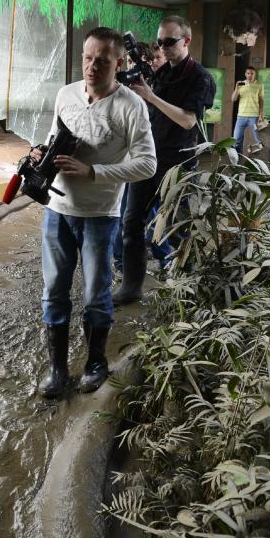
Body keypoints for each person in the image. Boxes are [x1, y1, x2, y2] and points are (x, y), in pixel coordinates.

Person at [32, 27, 156, 398]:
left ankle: (96, 362)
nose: (92, 66)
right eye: (87, 58)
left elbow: (148, 164)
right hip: (57, 208)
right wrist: (43, 154)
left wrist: (94, 172)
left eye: (102, 61)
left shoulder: (130, 106)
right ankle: (57, 369)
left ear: (118, 63)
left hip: (101, 215)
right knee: (54, 290)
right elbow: (57, 137)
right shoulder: (66, 94)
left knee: (95, 293)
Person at [113, 15, 214, 305]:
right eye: (160, 42)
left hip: (177, 165)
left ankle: (191, 287)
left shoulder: (200, 78)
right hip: (147, 159)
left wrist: (151, 96)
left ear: (187, 41)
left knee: (180, 227)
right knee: (131, 223)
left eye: (169, 42)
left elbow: (187, 121)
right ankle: (132, 286)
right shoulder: (161, 73)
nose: (163, 47)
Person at [112, 42, 172, 271]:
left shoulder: (158, 88)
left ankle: (162, 256)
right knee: (125, 213)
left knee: (148, 213)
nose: (131, 68)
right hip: (126, 161)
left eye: (155, 58)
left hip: (152, 161)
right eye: (128, 62)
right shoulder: (120, 88)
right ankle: (122, 261)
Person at [232, 66, 265, 154]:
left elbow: (261, 100)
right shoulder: (241, 85)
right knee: (236, 139)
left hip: (254, 116)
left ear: (255, 74)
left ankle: (258, 160)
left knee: (258, 139)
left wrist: (261, 114)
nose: (250, 75)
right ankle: (237, 159)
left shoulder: (259, 85)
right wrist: (236, 88)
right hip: (241, 116)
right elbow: (233, 99)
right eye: (248, 73)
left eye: (252, 73)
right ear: (245, 74)